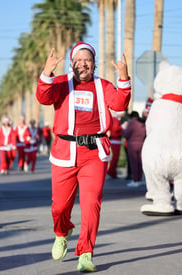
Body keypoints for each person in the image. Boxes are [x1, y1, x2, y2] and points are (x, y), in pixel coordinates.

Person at [36, 42, 131, 273]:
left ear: (94, 63)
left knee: (91, 205)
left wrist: (124, 78)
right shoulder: (60, 84)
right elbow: (43, 97)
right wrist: (47, 73)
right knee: (59, 207)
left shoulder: (103, 85)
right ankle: (62, 232)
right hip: (64, 153)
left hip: (94, 154)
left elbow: (119, 103)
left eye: (87, 59)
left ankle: (86, 252)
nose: (82, 64)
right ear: (71, 63)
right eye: (78, 60)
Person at [124, 111, 146, 187]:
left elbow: (126, 134)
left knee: (134, 163)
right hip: (142, 144)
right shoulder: (142, 123)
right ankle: (139, 179)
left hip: (132, 145)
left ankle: (135, 180)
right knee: (140, 163)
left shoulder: (132, 123)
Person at [107, 112, 123, 179]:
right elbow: (115, 129)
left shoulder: (114, 119)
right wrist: (122, 127)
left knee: (115, 157)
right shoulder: (115, 119)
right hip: (116, 140)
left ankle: (112, 172)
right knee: (115, 157)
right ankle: (111, 172)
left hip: (115, 139)